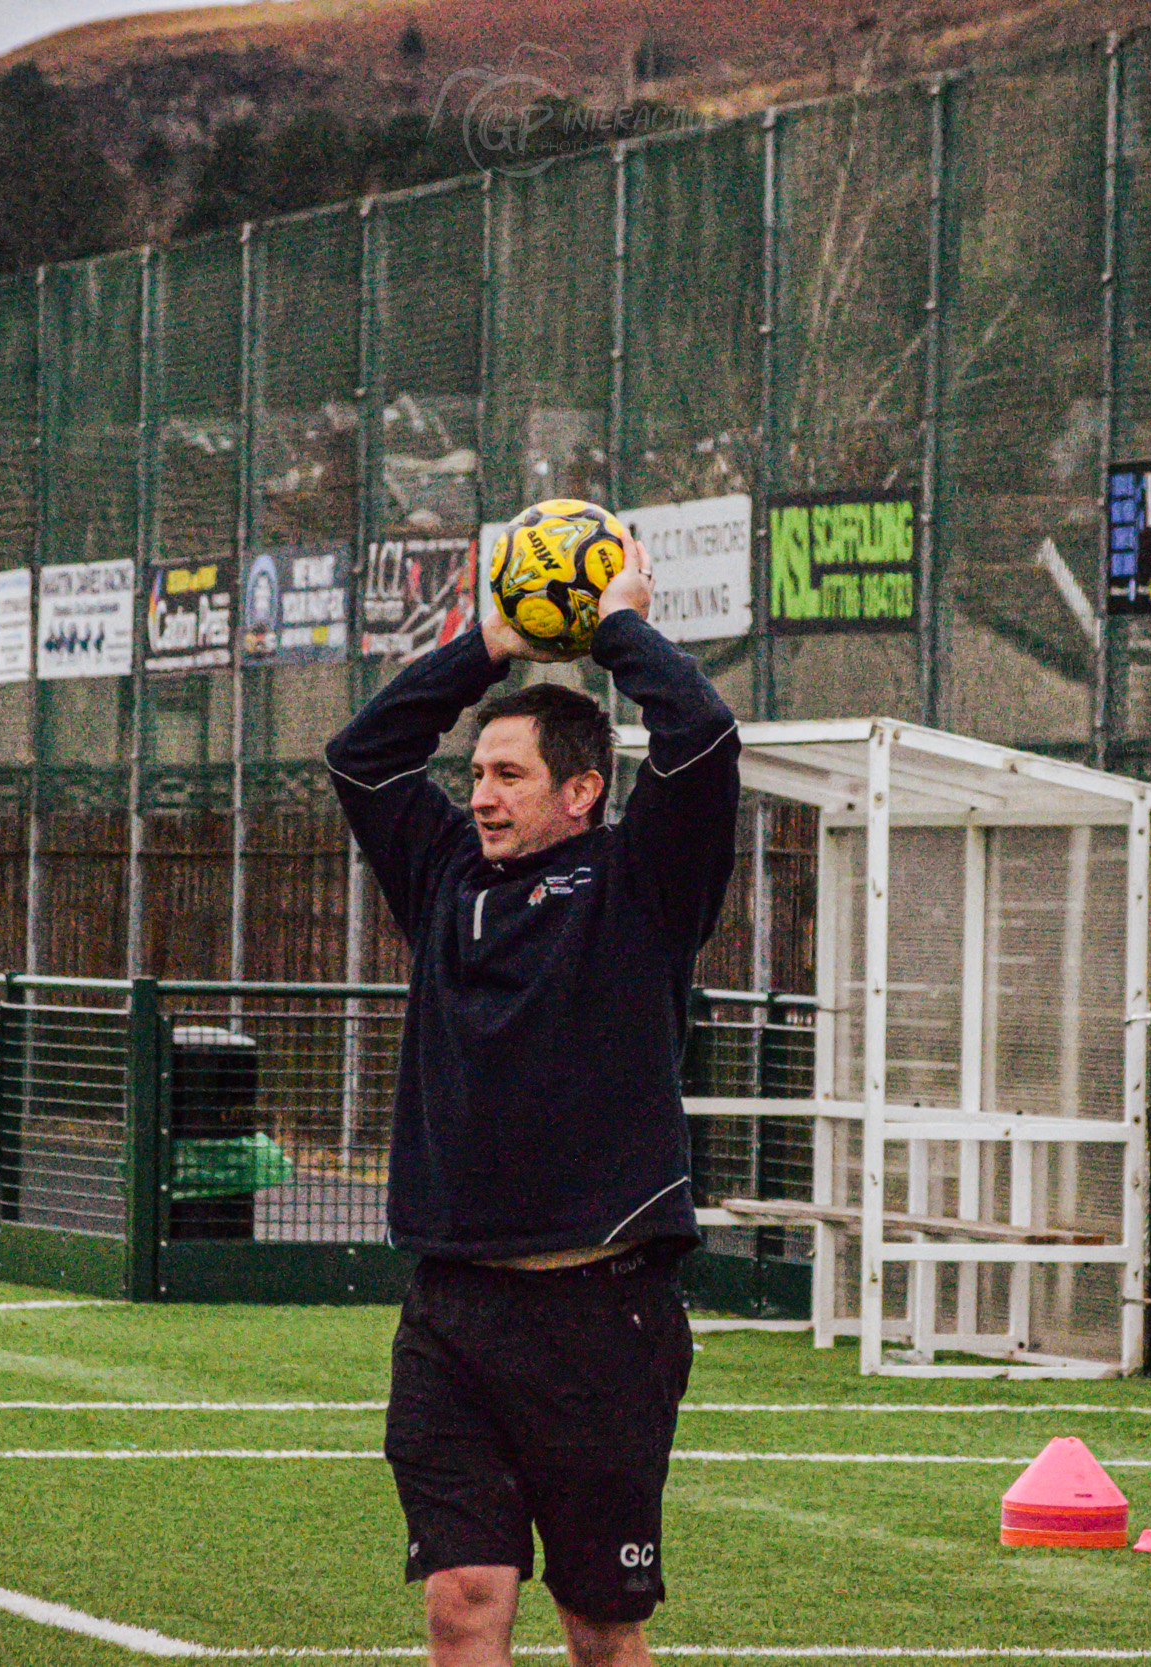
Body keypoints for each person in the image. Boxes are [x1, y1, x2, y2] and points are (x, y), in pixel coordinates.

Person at [326, 535, 740, 1667]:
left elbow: (701, 738)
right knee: (463, 1595)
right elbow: (363, 755)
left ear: (583, 789)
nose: (481, 795)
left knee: (601, 1629)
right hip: (453, 1309)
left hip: (602, 1317)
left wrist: (618, 630)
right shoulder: (444, 872)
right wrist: (483, 649)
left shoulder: (644, 881)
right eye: (474, 775)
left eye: (508, 775)